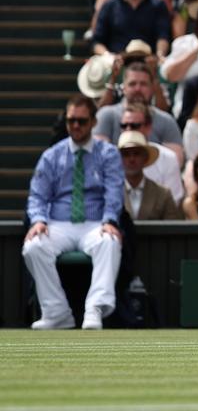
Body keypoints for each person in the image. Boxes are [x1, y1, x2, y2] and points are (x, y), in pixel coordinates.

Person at [23, 97, 123, 330]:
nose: (75, 126)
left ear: (93, 122)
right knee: (33, 246)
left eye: (81, 121)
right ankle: (56, 312)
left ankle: (95, 309)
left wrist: (109, 220)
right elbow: (37, 195)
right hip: (59, 223)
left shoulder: (108, 154)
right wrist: (38, 220)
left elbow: (114, 192)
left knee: (109, 241)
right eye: (70, 121)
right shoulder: (51, 155)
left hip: (95, 222)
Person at [118, 131, 180, 221]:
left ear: (145, 158)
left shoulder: (163, 194)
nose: (131, 159)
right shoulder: (109, 192)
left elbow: (173, 230)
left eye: (136, 154)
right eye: (126, 154)